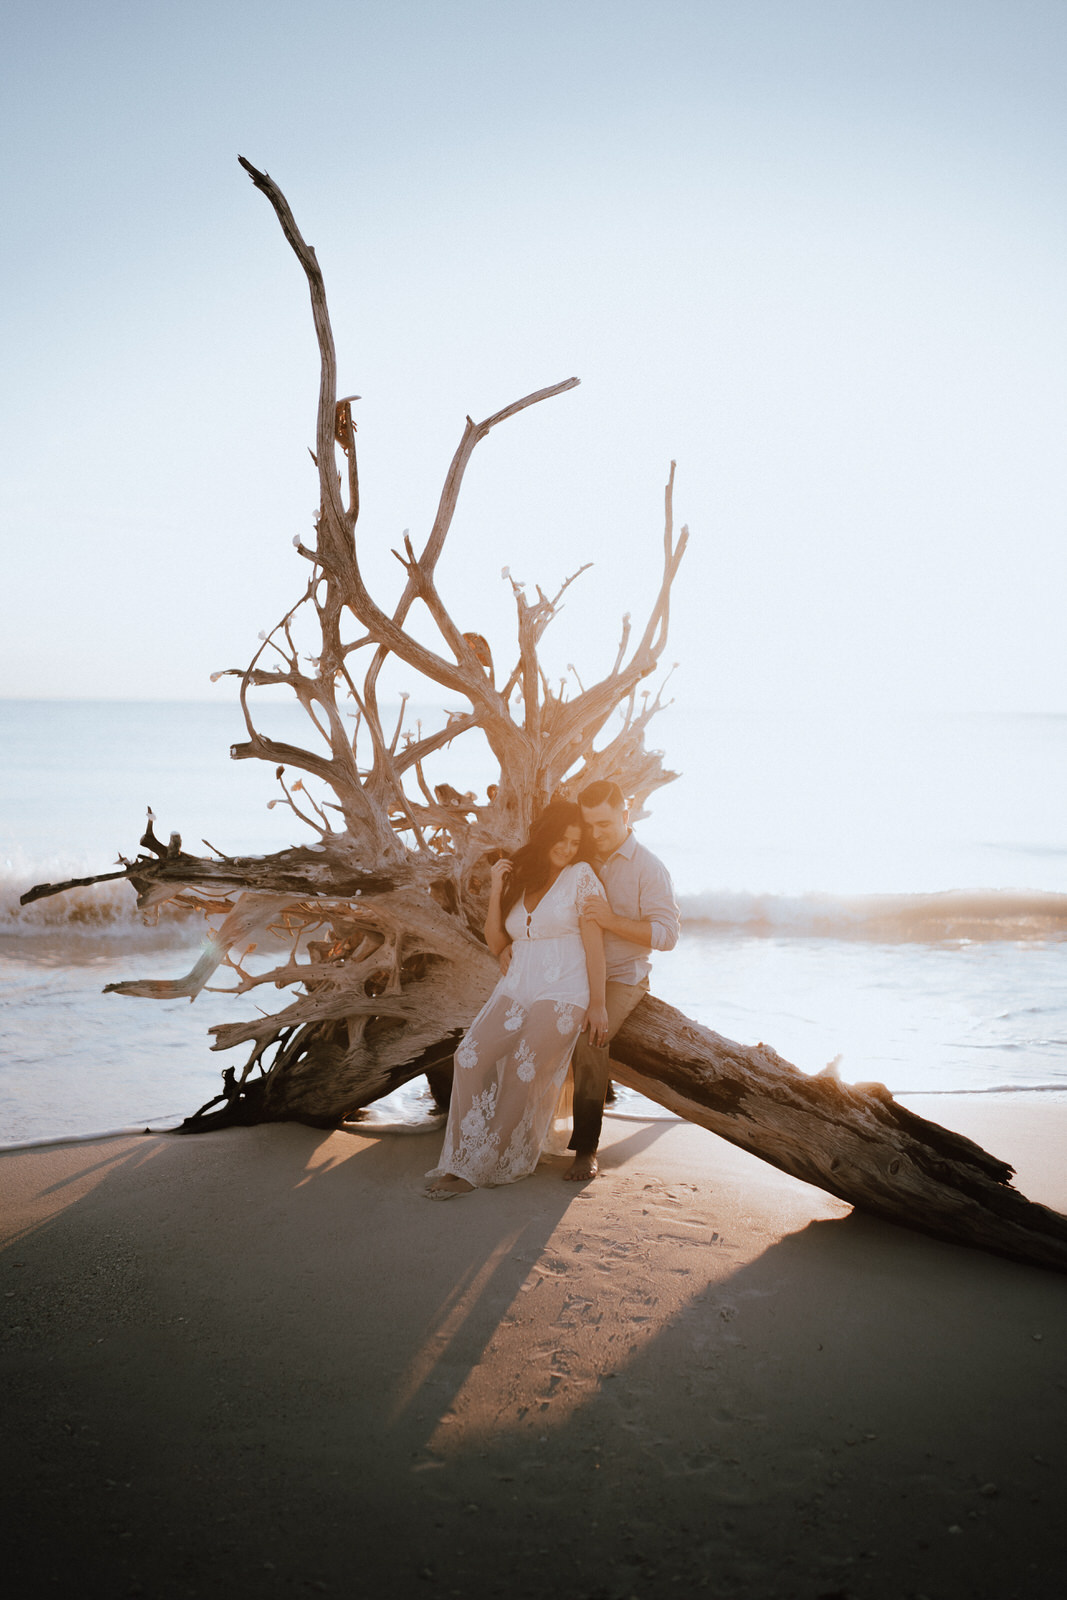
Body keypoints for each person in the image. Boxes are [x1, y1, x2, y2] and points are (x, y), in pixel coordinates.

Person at [425, 800, 609, 1199]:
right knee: (469, 1056)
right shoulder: (521, 878)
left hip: (565, 989)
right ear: (546, 836)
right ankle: (462, 1157)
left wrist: (598, 1004)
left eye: (575, 842)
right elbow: (496, 941)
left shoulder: (582, 876)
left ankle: (484, 1164)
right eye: (561, 839)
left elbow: (594, 946)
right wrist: (496, 888)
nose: (567, 847)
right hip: (518, 986)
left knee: (523, 1065)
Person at [564, 780, 680, 1182]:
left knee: (591, 1034)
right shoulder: (578, 855)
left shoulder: (649, 867)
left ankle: (585, 1149)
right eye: (589, 824)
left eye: (604, 824)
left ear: (625, 815)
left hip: (623, 977)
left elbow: (667, 936)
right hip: (571, 970)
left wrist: (611, 920)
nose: (595, 834)